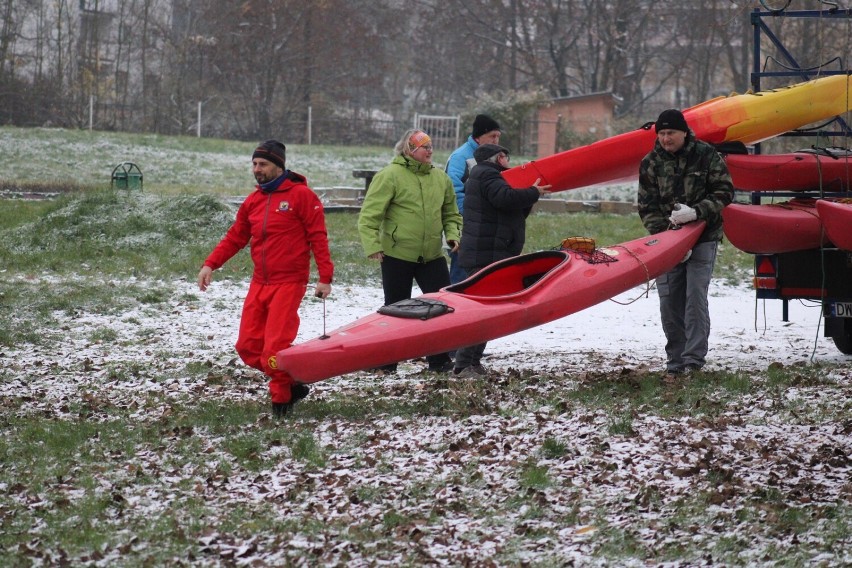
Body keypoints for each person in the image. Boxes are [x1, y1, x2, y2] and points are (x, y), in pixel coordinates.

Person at [197, 140, 334, 418]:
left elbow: (318, 237)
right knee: (247, 347)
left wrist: (325, 277)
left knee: (274, 348)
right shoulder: (253, 201)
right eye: (254, 164)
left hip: (289, 283)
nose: (257, 170)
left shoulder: (302, 196)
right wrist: (210, 264)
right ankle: (291, 381)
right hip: (260, 282)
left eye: (263, 165)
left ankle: (281, 402)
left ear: (279, 166)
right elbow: (236, 237)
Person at [638, 109, 734, 378]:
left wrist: (696, 212)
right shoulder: (650, 162)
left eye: (671, 133)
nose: (666, 139)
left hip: (704, 237)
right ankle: (675, 360)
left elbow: (725, 192)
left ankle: (693, 360)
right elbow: (647, 207)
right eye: (662, 134)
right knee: (669, 300)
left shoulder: (706, 155)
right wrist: (669, 240)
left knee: (694, 298)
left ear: (684, 133)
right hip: (668, 242)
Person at [358, 128, 462, 374]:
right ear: (410, 150)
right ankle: (387, 363)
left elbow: (451, 213)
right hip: (397, 256)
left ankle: (439, 361)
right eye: (424, 146)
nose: (430, 150)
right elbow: (369, 215)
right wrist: (373, 245)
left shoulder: (440, 178)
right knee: (395, 309)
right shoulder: (389, 176)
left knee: (441, 309)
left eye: (430, 146)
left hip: (432, 256)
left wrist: (453, 235)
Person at [453, 144, 551, 377]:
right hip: (485, 256)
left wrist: (527, 196)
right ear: (498, 158)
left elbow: (511, 209)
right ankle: (463, 364)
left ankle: (472, 362)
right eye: (506, 156)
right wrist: (533, 192)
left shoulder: (486, 176)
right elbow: (505, 198)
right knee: (482, 313)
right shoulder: (487, 174)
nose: (509, 161)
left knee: (489, 313)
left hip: (491, 254)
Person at [445, 114, 502, 284]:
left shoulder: (497, 156)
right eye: (492, 136)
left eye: (498, 136)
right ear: (478, 136)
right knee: (461, 276)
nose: (496, 140)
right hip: (464, 225)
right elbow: (452, 191)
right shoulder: (460, 157)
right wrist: (470, 216)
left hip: (487, 226)